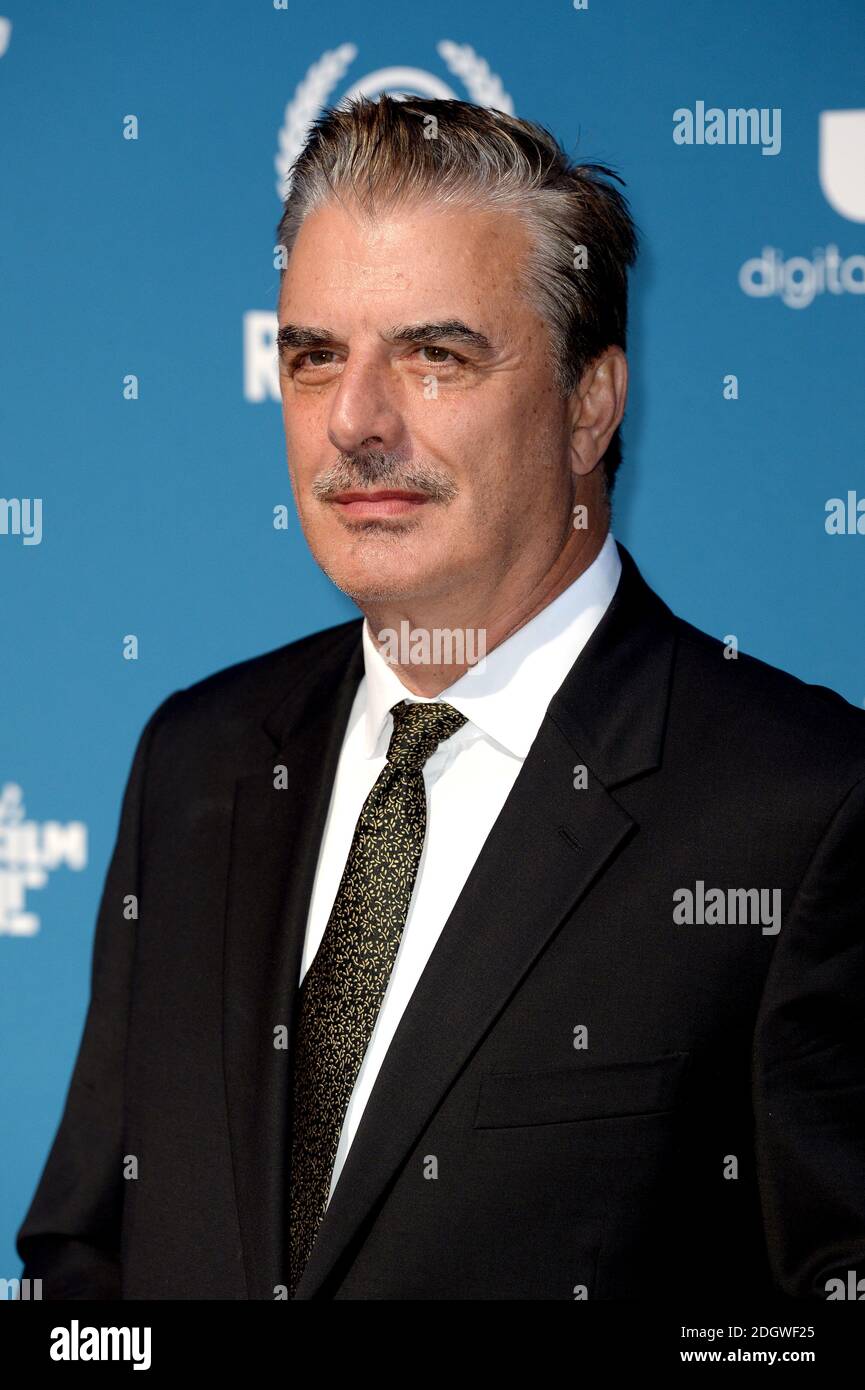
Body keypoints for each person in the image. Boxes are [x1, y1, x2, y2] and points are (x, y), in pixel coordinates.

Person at [17, 95, 865, 1300]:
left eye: (435, 355)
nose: (355, 422)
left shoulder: (805, 807)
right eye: (315, 356)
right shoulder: (196, 759)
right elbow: (86, 1254)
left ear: (588, 404)